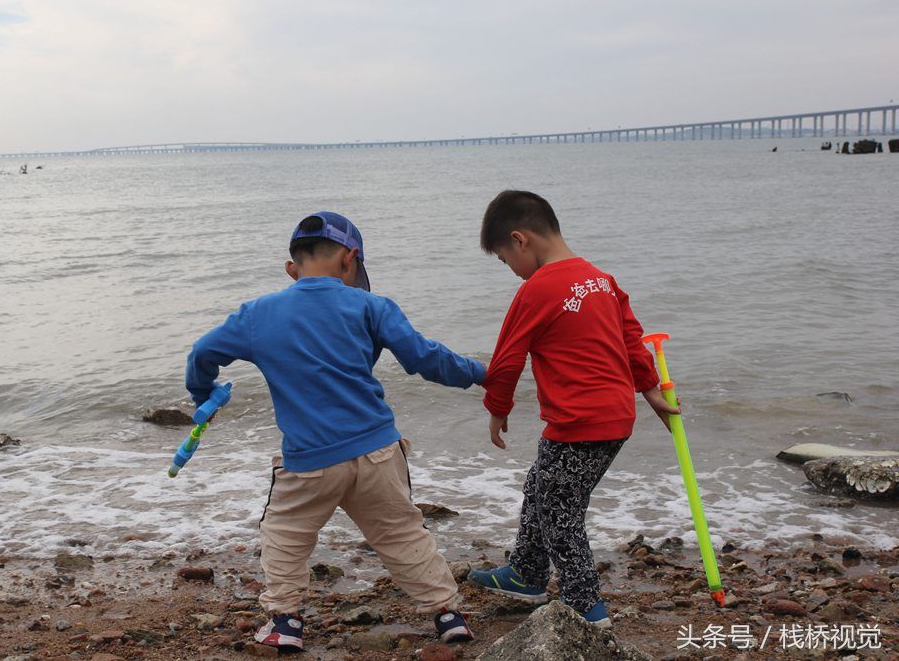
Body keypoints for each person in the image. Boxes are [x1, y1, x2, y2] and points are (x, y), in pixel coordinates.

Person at [185, 211, 483, 652]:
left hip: (309, 460)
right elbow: (426, 359)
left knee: (285, 533)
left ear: (292, 268)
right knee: (402, 532)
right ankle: (447, 614)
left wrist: (203, 395)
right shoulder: (371, 306)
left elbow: (202, 353)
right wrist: (481, 373)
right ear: (352, 259)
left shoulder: (258, 315)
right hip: (378, 450)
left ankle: (286, 622)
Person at [468, 190, 679, 628]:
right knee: (542, 486)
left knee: (561, 513)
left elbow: (508, 356)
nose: (512, 272)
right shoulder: (601, 279)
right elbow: (631, 338)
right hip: (615, 418)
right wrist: (650, 389)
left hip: (578, 421)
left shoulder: (538, 290)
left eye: (506, 261)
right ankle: (525, 573)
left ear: (519, 239)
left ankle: (588, 609)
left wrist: (497, 407)